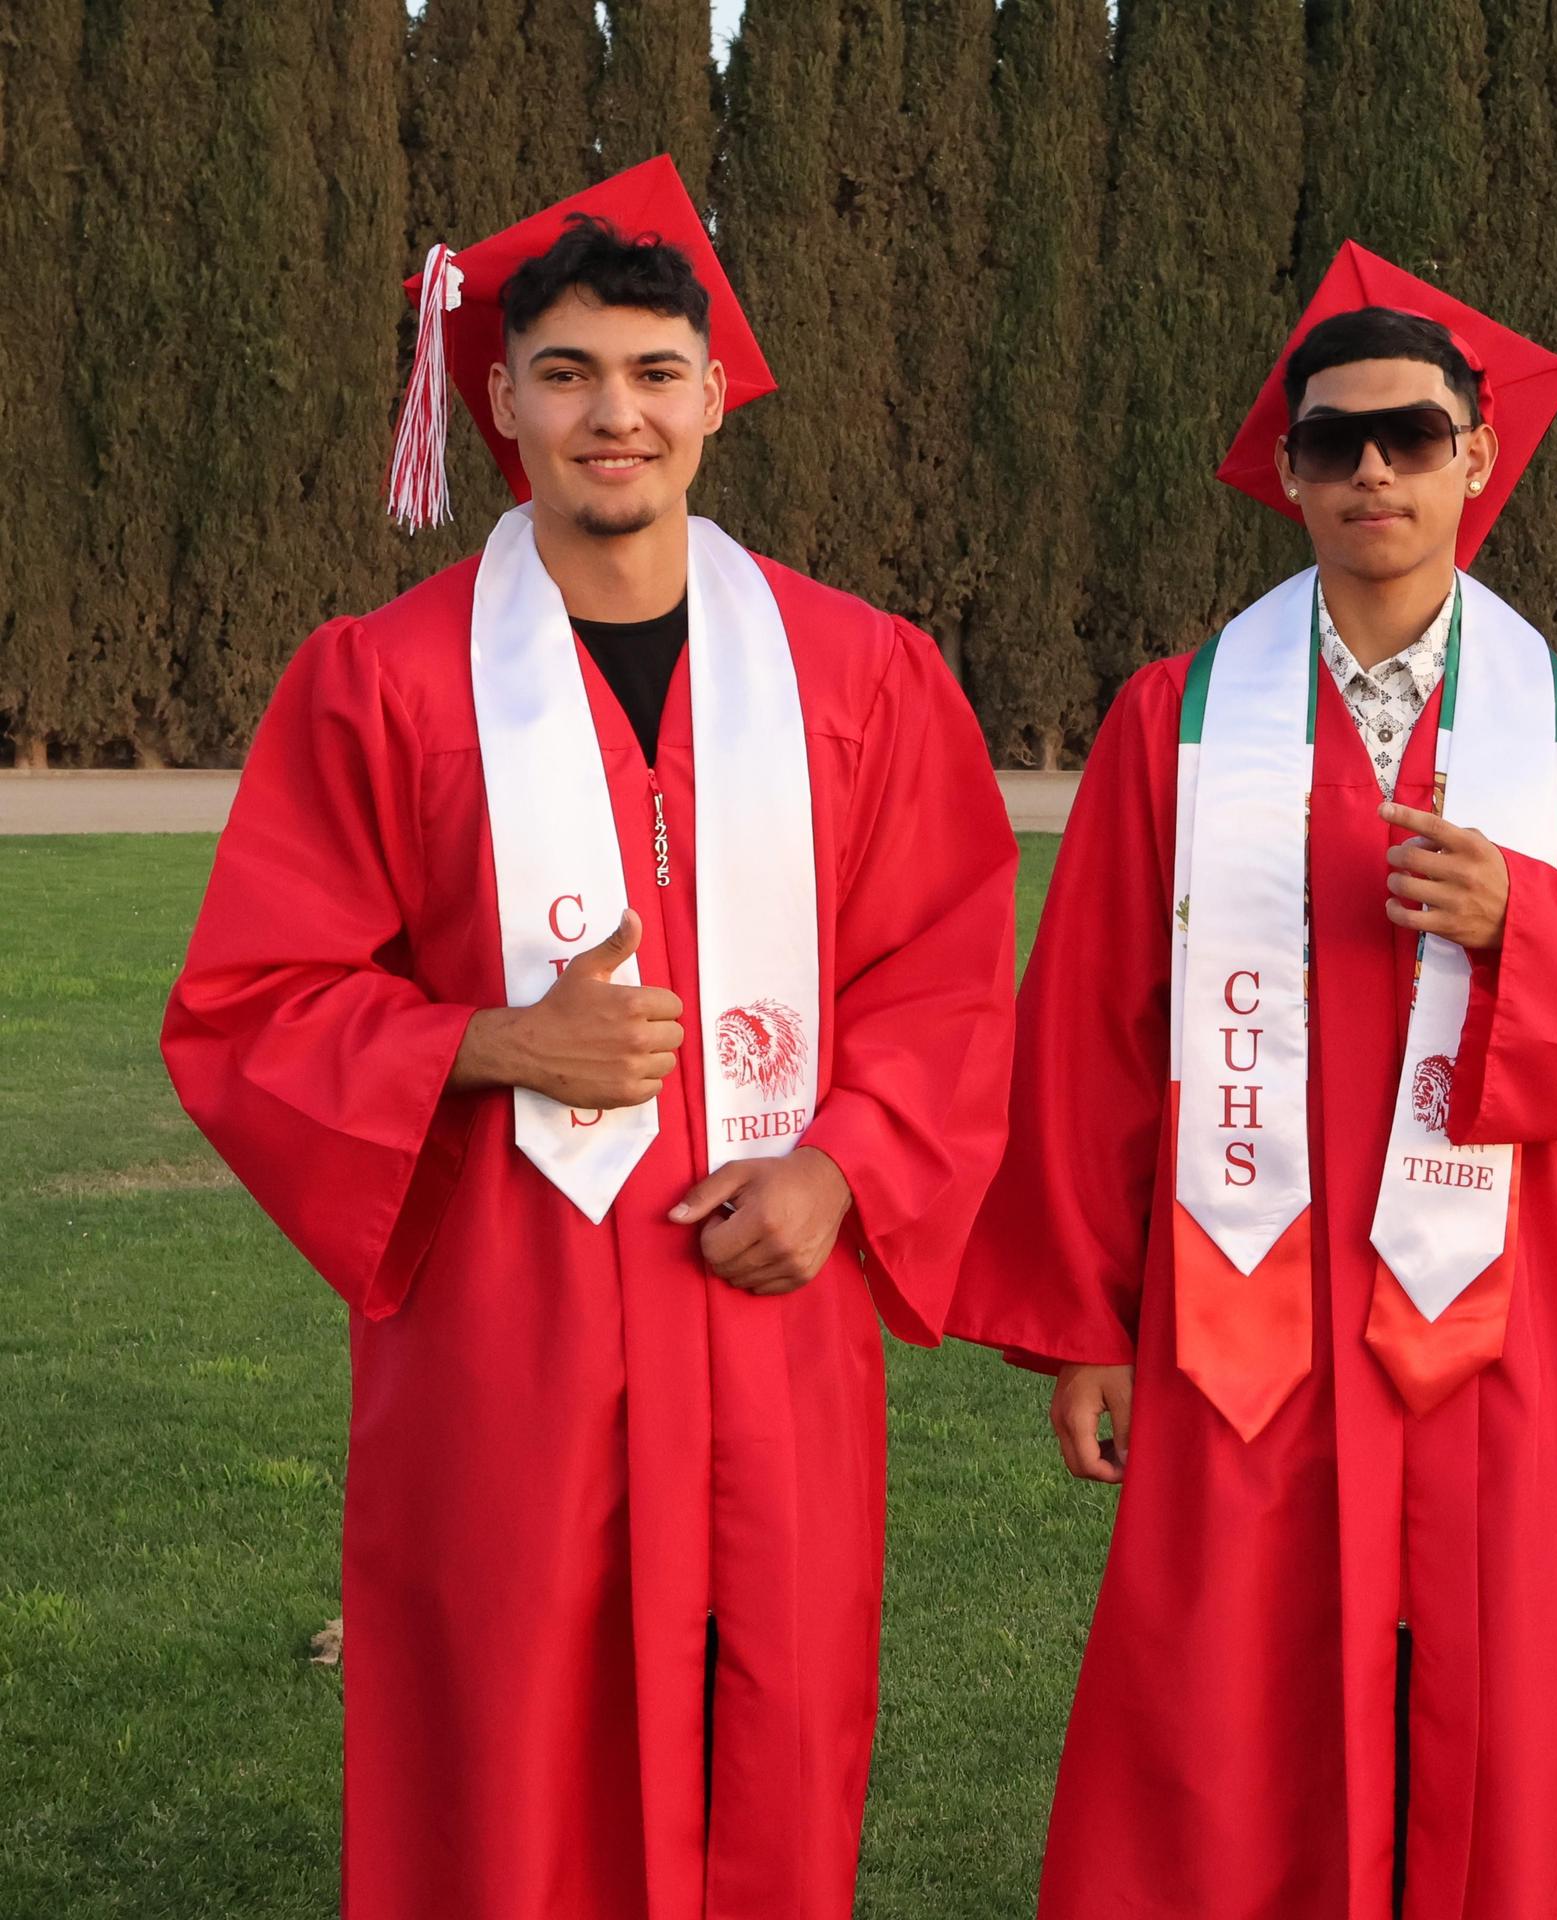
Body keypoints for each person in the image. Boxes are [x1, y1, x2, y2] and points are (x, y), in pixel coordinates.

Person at [162, 157, 1016, 1920]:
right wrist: (490, 1045)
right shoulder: (381, 681)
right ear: (501, 402)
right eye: (566, 375)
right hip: (510, 1325)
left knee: (767, 1740)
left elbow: (945, 980)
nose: (610, 414)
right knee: (508, 1750)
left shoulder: (862, 677)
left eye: (650, 373)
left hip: (769, 1326)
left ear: (715, 395)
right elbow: (252, 1006)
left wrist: (848, 1173)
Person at [947, 242, 1557, 1920]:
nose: (1372, 469)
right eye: (1333, 443)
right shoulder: (1173, 728)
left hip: (1481, 1323)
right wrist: (1089, 1326)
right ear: (1289, 475)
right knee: (1216, 1713)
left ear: (1478, 453)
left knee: (1480, 1716)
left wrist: (1524, 922)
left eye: (1410, 433)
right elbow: (1088, 1034)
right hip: (1231, 1315)